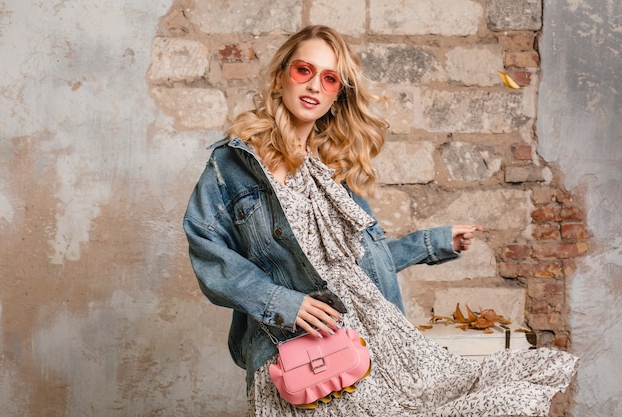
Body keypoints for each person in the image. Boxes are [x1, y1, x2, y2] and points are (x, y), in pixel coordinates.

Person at [184, 25, 577, 416]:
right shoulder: (233, 165)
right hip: (303, 356)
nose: (314, 86)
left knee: (511, 393)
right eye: (304, 70)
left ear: (337, 96)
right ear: (280, 76)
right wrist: (281, 302)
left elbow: (357, 265)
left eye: (330, 78)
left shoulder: (333, 172)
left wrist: (431, 243)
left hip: (373, 344)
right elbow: (207, 251)